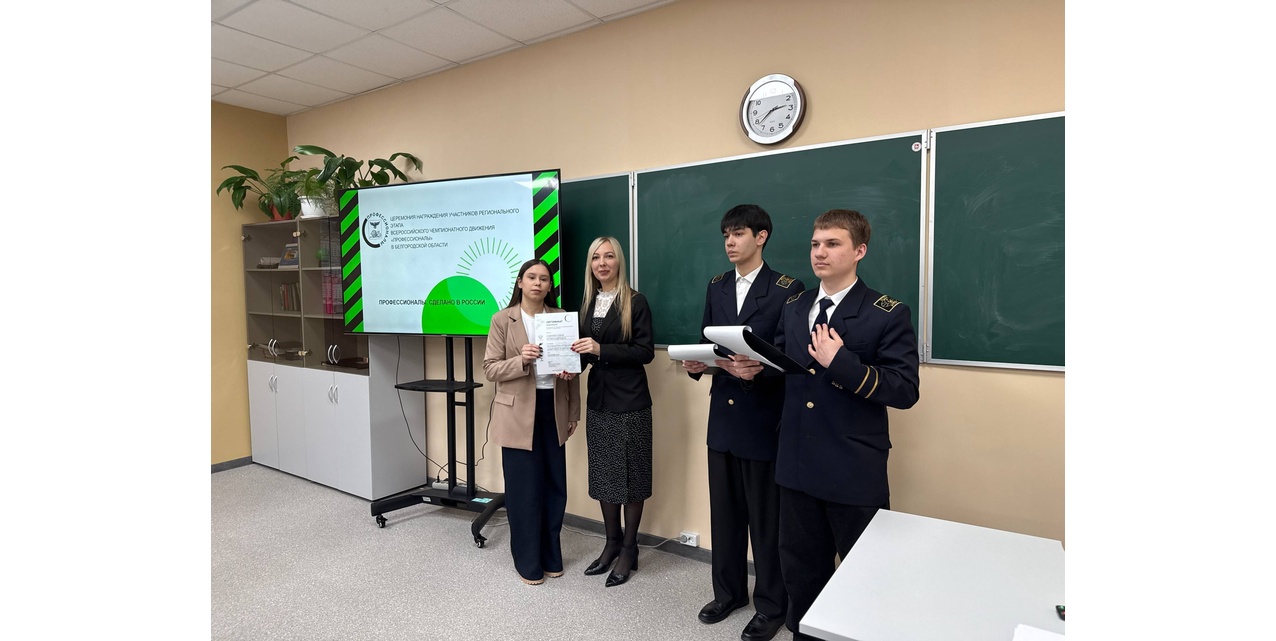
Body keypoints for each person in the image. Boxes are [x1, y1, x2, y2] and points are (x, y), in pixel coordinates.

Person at [726, 209, 919, 640]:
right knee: (801, 573)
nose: (820, 252)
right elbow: (785, 365)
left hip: (852, 468)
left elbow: (905, 390)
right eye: (815, 244)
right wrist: (754, 370)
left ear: (859, 251)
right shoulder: (795, 307)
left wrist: (842, 362)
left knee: (862, 575)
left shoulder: (886, 313)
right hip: (797, 464)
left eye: (832, 244)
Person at [681, 204, 803, 641]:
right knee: (725, 514)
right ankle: (728, 593)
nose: (730, 242)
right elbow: (707, 339)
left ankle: (771, 605)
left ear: (761, 236)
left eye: (738, 234)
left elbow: (789, 355)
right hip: (724, 419)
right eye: (726, 235)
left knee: (766, 521)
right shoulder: (716, 285)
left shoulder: (787, 288)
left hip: (763, 419)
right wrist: (698, 364)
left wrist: (758, 371)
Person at [482, 259, 581, 586]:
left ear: (550, 286)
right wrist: (520, 360)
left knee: (554, 486)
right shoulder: (502, 319)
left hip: (553, 409)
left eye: (544, 279)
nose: (538, 283)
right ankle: (527, 560)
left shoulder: (561, 318)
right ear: (520, 283)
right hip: (516, 413)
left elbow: (574, 371)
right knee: (524, 490)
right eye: (532, 277)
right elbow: (490, 369)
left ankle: (551, 556)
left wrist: (574, 411)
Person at [570, 236, 655, 588]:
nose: (602, 263)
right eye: (595, 258)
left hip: (631, 402)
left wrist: (601, 349)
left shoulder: (636, 301)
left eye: (608, 257)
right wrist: (571, 366)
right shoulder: (588, 303)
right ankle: (611, 543)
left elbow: (645, 351)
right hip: (600, 400)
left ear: (619, 261)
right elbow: (584, 351)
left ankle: (630, 549)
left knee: (632, 477)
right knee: (604, 475)